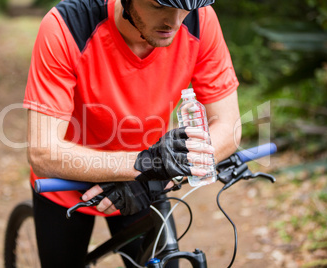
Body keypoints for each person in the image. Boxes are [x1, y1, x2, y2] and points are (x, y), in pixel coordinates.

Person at [23, 0, 241, 266]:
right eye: (157, 6)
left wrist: (158, 173)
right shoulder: (67, 25)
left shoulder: (200, 19)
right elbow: (43, 152)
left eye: (184, 8)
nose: (174, 21)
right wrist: (146, 165)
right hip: (67, 184)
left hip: (144, 185)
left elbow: (228, 127)